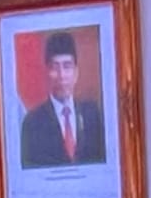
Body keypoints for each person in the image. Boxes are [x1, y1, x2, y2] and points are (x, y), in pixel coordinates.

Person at [20, 31, 106, 169]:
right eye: (55, 67)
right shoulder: (33, 122)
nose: (62, 76)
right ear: (46, 73)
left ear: (76, 73)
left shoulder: (92, 115)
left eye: (67, 66)